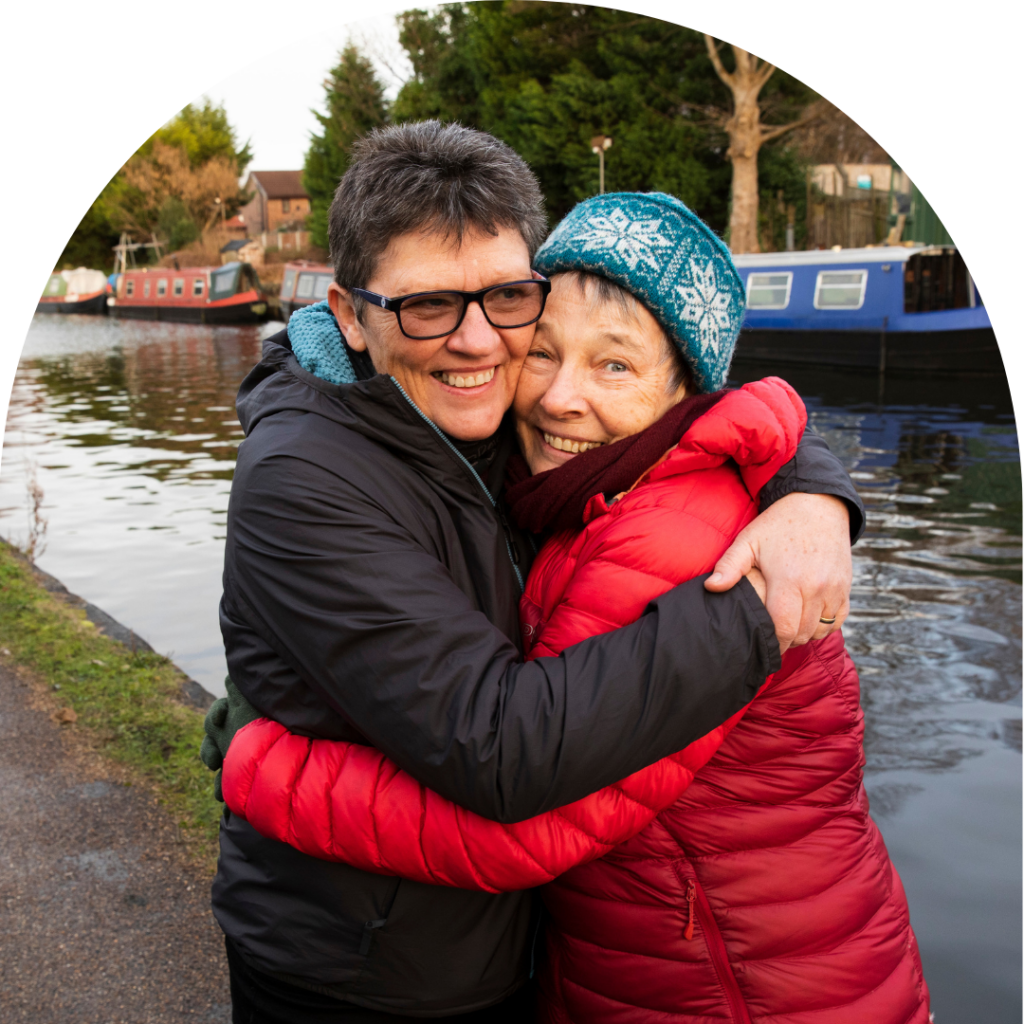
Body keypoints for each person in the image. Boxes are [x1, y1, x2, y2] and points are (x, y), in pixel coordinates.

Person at [216, 192, 929, 1024]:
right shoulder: (574, 491)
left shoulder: (678, 539)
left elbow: (529, 811)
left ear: (686, 388)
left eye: (615, 365)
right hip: (663, 967)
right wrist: (813, 486)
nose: (559, 397)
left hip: (745, 985)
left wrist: (261, 768)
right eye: (544, 353)